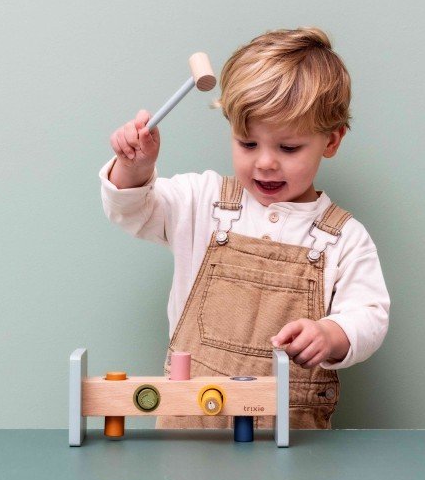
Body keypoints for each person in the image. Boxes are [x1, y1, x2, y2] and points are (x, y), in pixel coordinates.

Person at [99, 27, 390, 430]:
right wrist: (134, 167)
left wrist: (332, 333)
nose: (265, 163)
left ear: (332, 140)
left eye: (288, 148)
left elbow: (370, 315)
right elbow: (134, 211)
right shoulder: (203, 201)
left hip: (292, 442)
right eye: (247, 143)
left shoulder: (344, 238)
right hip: (191, 438)